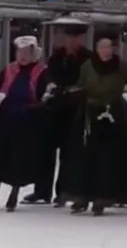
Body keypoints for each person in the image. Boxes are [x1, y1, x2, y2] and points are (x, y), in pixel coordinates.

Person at [59, 30, 127, 216]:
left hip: (113, 112)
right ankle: (82, 196)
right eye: (103, 47)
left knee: (109, 158)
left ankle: (103, 198)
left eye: (109, 47)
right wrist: (72, 92)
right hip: (90, 113)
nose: (107, 51)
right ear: (97, 49)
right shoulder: (88, 66)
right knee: (85, 156)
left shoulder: (121, 66)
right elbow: (80, 84)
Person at [23, 20, 92, 207]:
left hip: (74, 108)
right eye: (67, 37)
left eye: (74, 37)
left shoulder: (87, 58)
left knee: (70, 153)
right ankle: (42, 190)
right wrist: (52, 88)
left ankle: (64, 191)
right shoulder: (56, 56)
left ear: (81, 38)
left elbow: (86, 82)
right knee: (45, 150)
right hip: (53, 108)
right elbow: (50, 75)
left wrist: (72, 91)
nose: (69, 41)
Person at [0, 36, 51, 211]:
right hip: (6, 118)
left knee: (18, 157)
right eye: (19, 52)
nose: (22, 56)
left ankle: (14, 192)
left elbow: (46, 96)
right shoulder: (9, 69)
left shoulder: (42, 71)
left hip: (28, 120)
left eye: (26, 52)